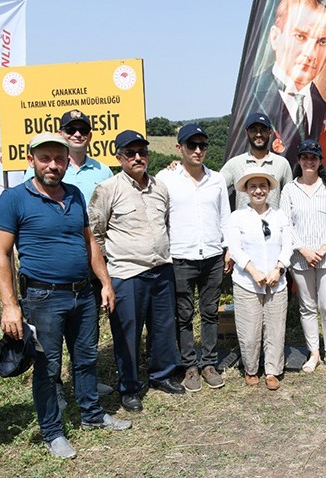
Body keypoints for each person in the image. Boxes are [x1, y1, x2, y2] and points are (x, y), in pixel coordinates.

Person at [0, 132, 130, 459]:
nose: (53, 165)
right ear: (31, 161)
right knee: (48, 368)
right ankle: (53, 432)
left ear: (68, 161)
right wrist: (10, 305)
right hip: (42, 299)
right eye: (45, 158)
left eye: (59, 158)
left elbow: (89, 243)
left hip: (82, 294)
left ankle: (92, 416)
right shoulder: (13, 199)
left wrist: (105, 283)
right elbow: (1, 254)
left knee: (87, 359)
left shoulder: (74, 196)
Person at [22, 109, 116, 405]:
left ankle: (85, 383)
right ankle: (57, 387)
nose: (77, 133)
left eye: (83, 129)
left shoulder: (102, 170)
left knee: (85, 333)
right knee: (50, 342)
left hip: (91, 256)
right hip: (49, 270)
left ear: (89, 135)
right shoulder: (41, 171)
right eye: (71, 129)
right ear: (62, 134)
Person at [89, 130, 184, 413]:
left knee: (163, 327)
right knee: (127, 333)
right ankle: (130, 387)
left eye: (142, 151)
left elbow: (165, 222)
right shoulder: (107, 189)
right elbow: (95, 233)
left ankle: (162, 375)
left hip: (161, 268)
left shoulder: (160, 187)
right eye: (130, 153)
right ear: (119, 157)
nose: (137, 157)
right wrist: (108, 271)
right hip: (127, 273)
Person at [156, 124, 232, 392]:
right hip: (181, 257)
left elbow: (225, 216)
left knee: (210, 312)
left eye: (202, 145)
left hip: (212, 255)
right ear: (180, 148)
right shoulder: (165, 179)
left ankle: (209, 363)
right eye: (192, 145)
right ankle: (190, 367)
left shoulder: (217, 179)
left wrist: (228, 248)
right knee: (184, 315)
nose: (198, 150)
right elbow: (159, 218)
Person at [232, 0, 326, 167]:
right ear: (275, 37)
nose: (311, 53)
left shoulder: (325, 110)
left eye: (322, 42)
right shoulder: (250, 97)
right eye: (300, 36)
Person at [280, 139, 326, 374]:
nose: (309, 161)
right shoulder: (290, 189)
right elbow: (286, 223)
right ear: (299, 160)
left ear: (320, 161)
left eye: (314, 158)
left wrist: (323, 248)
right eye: (305, 157)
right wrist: (304, 250)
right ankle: (314, 353)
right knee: (307, 307)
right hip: (300, 258)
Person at [225, 167, 293, 390]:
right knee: (250, 330)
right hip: (247, 282)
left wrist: (278, 269)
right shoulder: (237, 217)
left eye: (262, 186)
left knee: (275, 328)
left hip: (276, 282)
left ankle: (272, 370)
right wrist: (253, 272)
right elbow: (235, 248)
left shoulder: (279, 215)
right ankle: (251, 368)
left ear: (269, 189)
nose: (258, 190)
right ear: (245, 190)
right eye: (253, 186)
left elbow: (288, 246)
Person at [221, 113, 293, 210]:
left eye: (263, 130)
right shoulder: (234, 163)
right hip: (243, 224)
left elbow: (290, 199)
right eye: (254, 130)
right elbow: (216, 188)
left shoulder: (282, 164)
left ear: (270, 133)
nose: (258, 134)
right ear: (247, 133)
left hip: (273, 223)